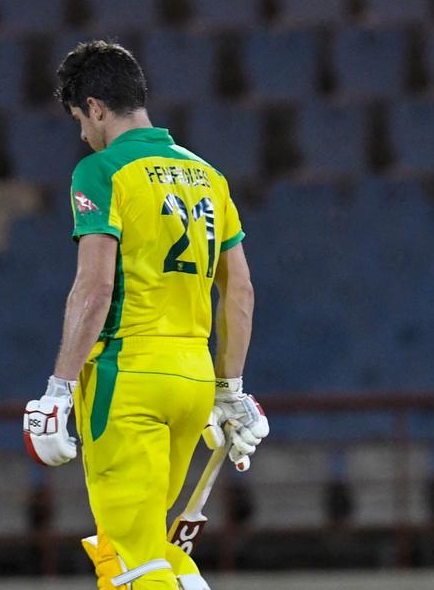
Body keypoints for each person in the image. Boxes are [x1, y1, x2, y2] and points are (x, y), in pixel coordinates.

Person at [22, 41, 269, 590]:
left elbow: (95, 285)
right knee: (154, 548)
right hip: (193, 382)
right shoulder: (209, 175)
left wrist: (58, 389)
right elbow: (241, 291)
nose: (82, 135)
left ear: (96, 107)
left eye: (79, 121)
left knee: (129, 563)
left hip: (127, 377)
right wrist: (231, 389)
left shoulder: (101, 171)